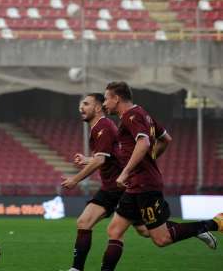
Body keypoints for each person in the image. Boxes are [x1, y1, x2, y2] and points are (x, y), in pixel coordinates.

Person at [99, 81, 222, 271]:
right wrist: (149, 160)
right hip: (135, 186)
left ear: (116, 98)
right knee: (114, 230)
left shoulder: (130, 116)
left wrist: (125, 172)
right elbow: (165, 139)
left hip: (144, 187)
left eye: (106, 99)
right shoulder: (143, 113)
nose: (104, 103)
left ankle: (214, 223)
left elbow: (144, 143)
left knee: (161, 239)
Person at [61, 93, 150, 271]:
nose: (81, 108)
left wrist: (75, 180)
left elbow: (101, 161)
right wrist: (88, 159)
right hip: (112, 187)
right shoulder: (98, 128)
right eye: (80, 104)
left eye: (86, 104)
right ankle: (76, 269)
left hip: (121, 187)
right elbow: (108, 157)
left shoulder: (104, 127)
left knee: (143, 232)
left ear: (98, 107)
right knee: (85, 222)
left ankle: (196, 231)